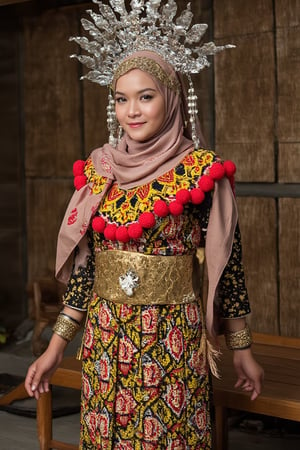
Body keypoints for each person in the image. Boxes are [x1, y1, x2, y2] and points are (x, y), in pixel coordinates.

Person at [25, 1, 264, 448]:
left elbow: (228, 270)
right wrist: (56, 348)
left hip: (171, 345)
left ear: (172, 98)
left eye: (145, 96)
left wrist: (242, 351)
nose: (131, 111)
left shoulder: (201, 172)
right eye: (121, 98)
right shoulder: (101, 170)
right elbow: (87, 272)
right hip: (104, 343)